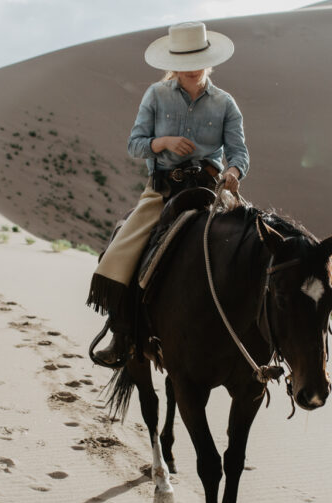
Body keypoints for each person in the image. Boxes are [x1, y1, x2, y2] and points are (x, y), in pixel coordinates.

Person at [87, 22, 249, 367]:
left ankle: (250, 341)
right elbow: (135, 145)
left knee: (249, 251)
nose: (191, 69)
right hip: (162, 191)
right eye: (184, 62)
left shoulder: (225, 103)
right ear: (173, 63)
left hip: (209, 191)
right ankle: (123, 334)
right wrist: (163, 143)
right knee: (119, 253)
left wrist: (234, 171)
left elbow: (239, 153)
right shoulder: (156, 95)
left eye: (198, 60)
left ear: (209, 60)